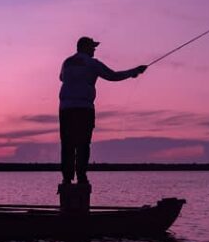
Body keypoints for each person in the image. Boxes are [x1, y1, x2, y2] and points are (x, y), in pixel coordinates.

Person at [59, 36, 146, 185]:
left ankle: (67, 179)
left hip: (65, 109)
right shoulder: (92, 64)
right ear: (85, 47)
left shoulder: (66, 62)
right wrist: (134, 71)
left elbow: (61, 78)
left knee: (67, 144)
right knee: (83, 144)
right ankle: (81, 178)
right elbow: (113, 76)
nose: (94, 50)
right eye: (92, 47)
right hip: (84, 110)